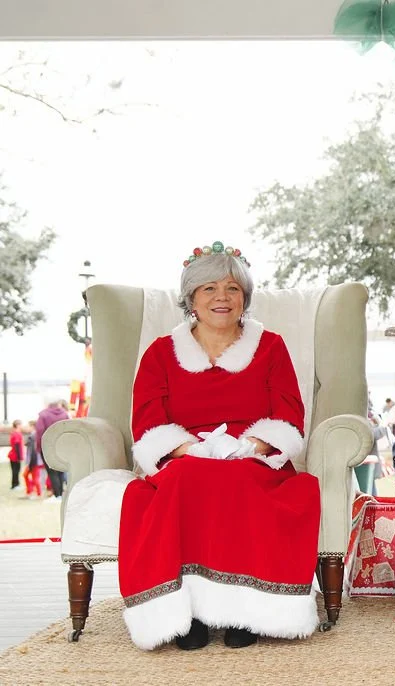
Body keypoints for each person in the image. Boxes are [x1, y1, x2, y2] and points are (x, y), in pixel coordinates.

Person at [115, 241, 321, 651]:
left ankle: (242, 613)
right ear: (191, 299)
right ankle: (187, 615)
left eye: (232, 288)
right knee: (189, 478)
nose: (221, 298)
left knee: (238, 479)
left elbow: (287, 414)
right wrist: (188, 450)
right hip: (184, 458)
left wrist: (249, 446)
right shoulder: (161, 353)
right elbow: (149, 418)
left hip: (251, 458)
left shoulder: (271, 347)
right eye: (209, 289)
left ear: (245, 297)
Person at [36, 398, 70, 499]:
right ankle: (61, 493)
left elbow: (39, 432)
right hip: (61, 446)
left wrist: (39, 447)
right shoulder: (65, 414)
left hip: (47, 447)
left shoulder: (43, 415)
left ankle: (57, 494)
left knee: (51, 472)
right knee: (61, 470)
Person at [8, 419, 24, 489]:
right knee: (16, 471)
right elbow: (16, 445)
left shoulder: (14, 433)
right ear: (17, 425)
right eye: (20, 424)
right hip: (15, 456)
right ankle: (15, 485)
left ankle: (15, 484)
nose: (21, 426)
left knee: (16, 470)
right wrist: (19, 457)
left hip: (14, 455)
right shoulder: (16, 433)